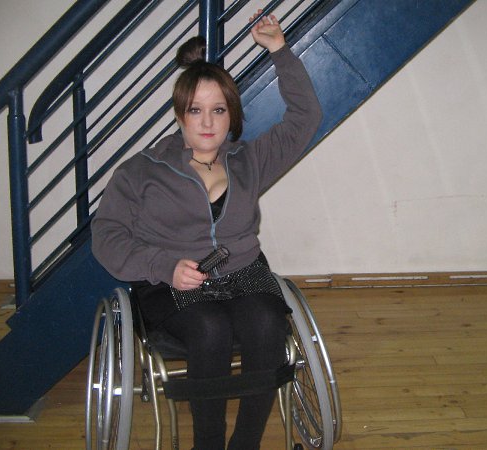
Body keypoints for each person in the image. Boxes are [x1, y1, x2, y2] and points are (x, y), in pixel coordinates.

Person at [91, 10, 322, 450]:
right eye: (195, 110)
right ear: (180, 114)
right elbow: (108, 235)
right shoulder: (141, 171)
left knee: (267, 322)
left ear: (231, 114)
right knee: (210, 327)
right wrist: (162, 265)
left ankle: (246, 443)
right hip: (171, 283)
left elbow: (305, 117)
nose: (208, 122)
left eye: (218, 110)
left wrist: (279, 49)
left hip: (243, 275)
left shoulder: (249, 161)